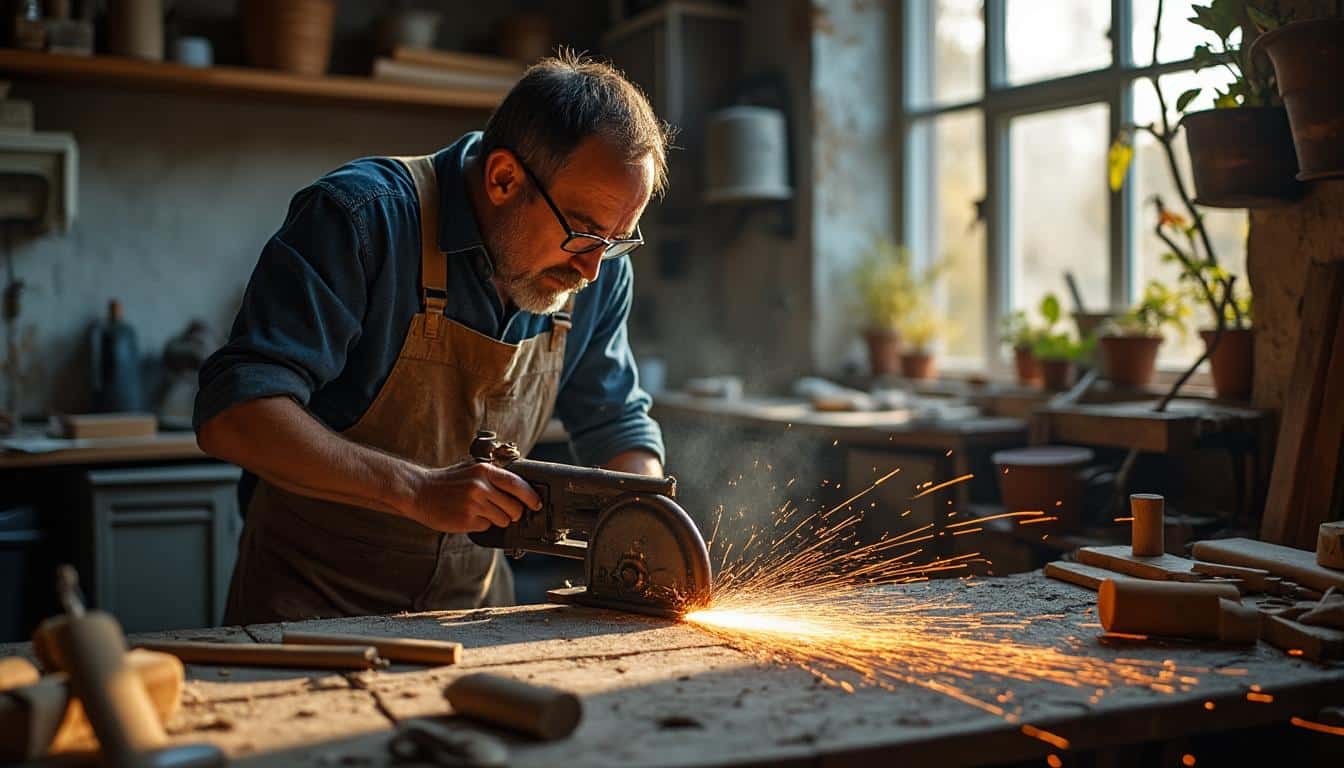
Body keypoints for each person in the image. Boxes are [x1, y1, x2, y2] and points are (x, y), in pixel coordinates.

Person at [194, 52, 673, 624]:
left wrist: (647, 521)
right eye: (583, 232)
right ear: (502, 179)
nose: (594, 268)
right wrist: (416, 490)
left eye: (619, 239)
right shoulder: (363, 218)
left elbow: (615, 424)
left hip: (471, 614)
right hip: (309, 608)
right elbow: (235, 414)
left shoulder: (598, 271)